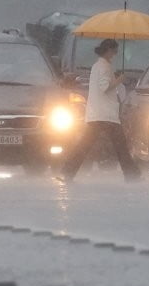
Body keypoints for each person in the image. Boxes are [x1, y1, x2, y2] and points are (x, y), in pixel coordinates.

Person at [57, 39, 142, 182]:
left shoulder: (99, 66)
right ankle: (132, 175)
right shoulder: (103, 67)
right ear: (108, 51)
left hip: (99, 113)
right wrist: (119, 80)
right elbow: (105, 87)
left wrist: (114, 78)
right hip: (105, 114)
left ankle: (67, 172)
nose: (115, 54)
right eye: (114, 51)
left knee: (86, 145)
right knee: (120, 146)